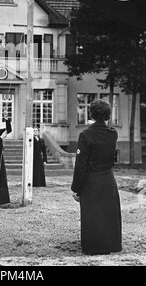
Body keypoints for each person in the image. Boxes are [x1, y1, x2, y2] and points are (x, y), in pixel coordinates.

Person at [71, 99, 122, 255]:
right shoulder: (113, 133)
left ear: (91, 114)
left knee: (92, 214)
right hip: (108, 178)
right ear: (107, 115)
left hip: (91, 179)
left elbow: (81, 164)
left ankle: (94, 246)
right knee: (109, 213)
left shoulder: (85, 134)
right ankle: (112, 244)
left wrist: (76, 188)